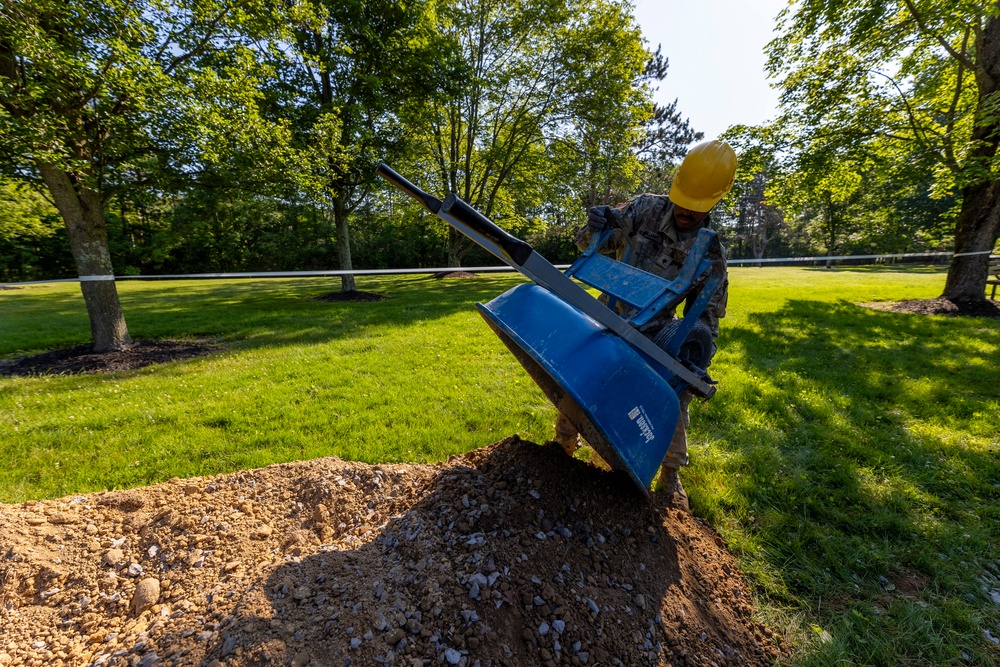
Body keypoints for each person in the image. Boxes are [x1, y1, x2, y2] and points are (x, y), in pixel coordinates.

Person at [552, 139, 737, 511]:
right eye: (684, 201)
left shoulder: (711, 254)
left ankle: (670, 476)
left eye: (697, 207)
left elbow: (705, 317)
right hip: (609, 312)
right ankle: (561, 448)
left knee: (674, 394)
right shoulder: (644, 209)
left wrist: (695, 356)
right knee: (581, 375)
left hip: (658, 333)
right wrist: (595, 225)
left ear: (717, 198)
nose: (686, 211)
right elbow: (589, 245)